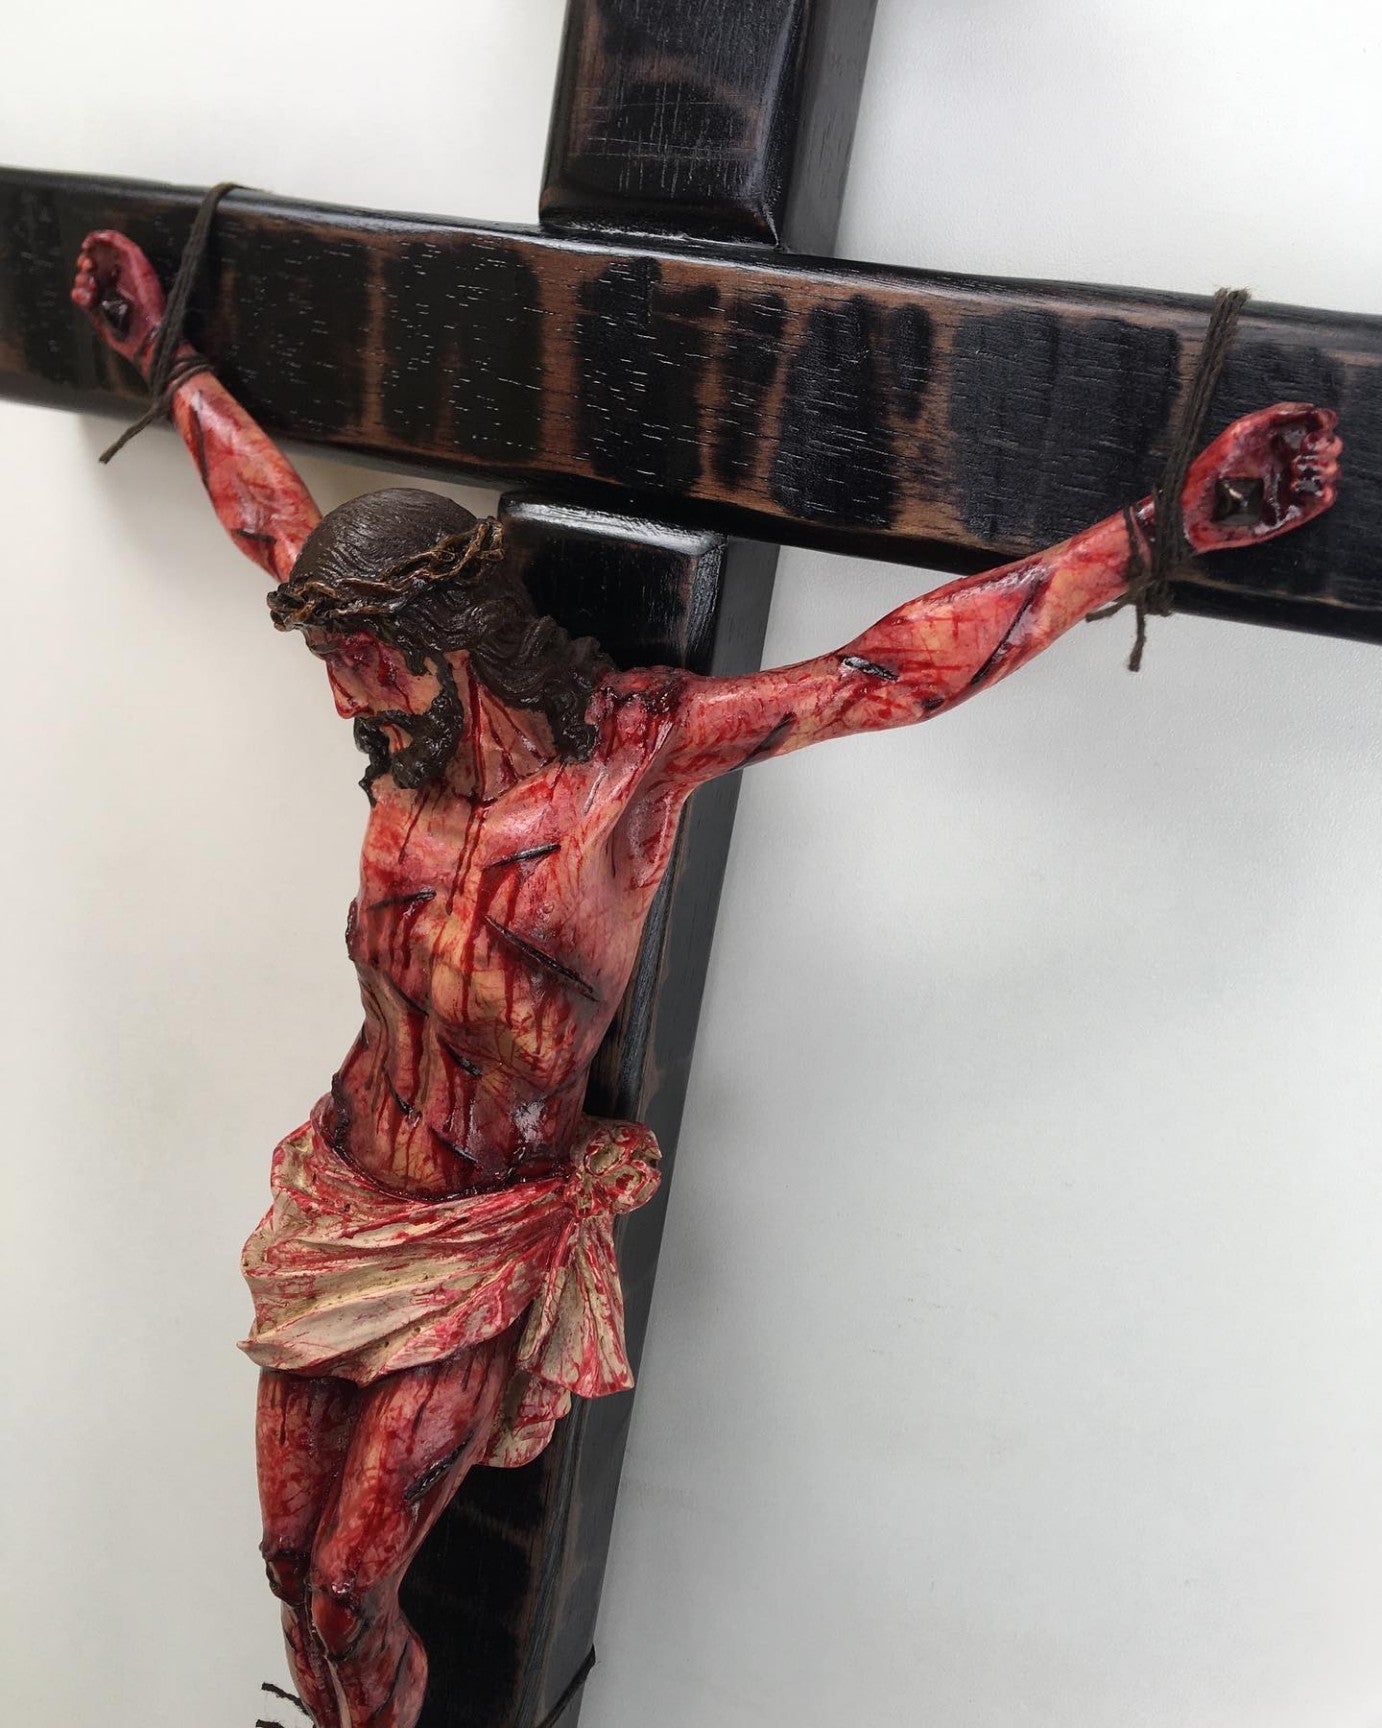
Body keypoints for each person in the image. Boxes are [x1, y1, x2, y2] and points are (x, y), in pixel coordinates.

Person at [72, 230, 1341, 1728]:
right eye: (334, 659)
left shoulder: (632, 760)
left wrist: (1151, 534)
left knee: (353, 1588)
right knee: (291, 1571)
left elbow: (889, 671)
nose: (348, 693)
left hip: (480, 1239)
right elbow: (275, 519)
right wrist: (170, 360)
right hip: (339, 1197)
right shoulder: (399, 748)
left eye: (369, 660)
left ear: (453, 635)